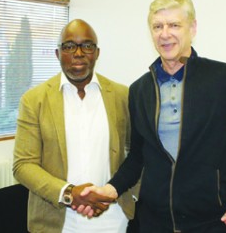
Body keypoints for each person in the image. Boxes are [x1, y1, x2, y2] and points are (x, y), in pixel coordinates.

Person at [81, 0, 226, 233]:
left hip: (213, 221)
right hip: (153, 221)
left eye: (174, 25)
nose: (165, 34)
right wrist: (109, 189)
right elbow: (138, 157)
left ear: (192, 28)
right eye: (157, 26)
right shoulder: (140, 90)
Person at [13, 19, 137, 233]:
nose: (78, 53)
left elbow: (138, 153)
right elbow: (23, 164)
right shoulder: (34, 100)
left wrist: (127, 193)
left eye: (87, 46)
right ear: (58, 54)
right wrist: (69, 193)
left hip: (113, 217)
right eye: (69, 46)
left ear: (97, 53)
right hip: (56, 220)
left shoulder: (122, 95)